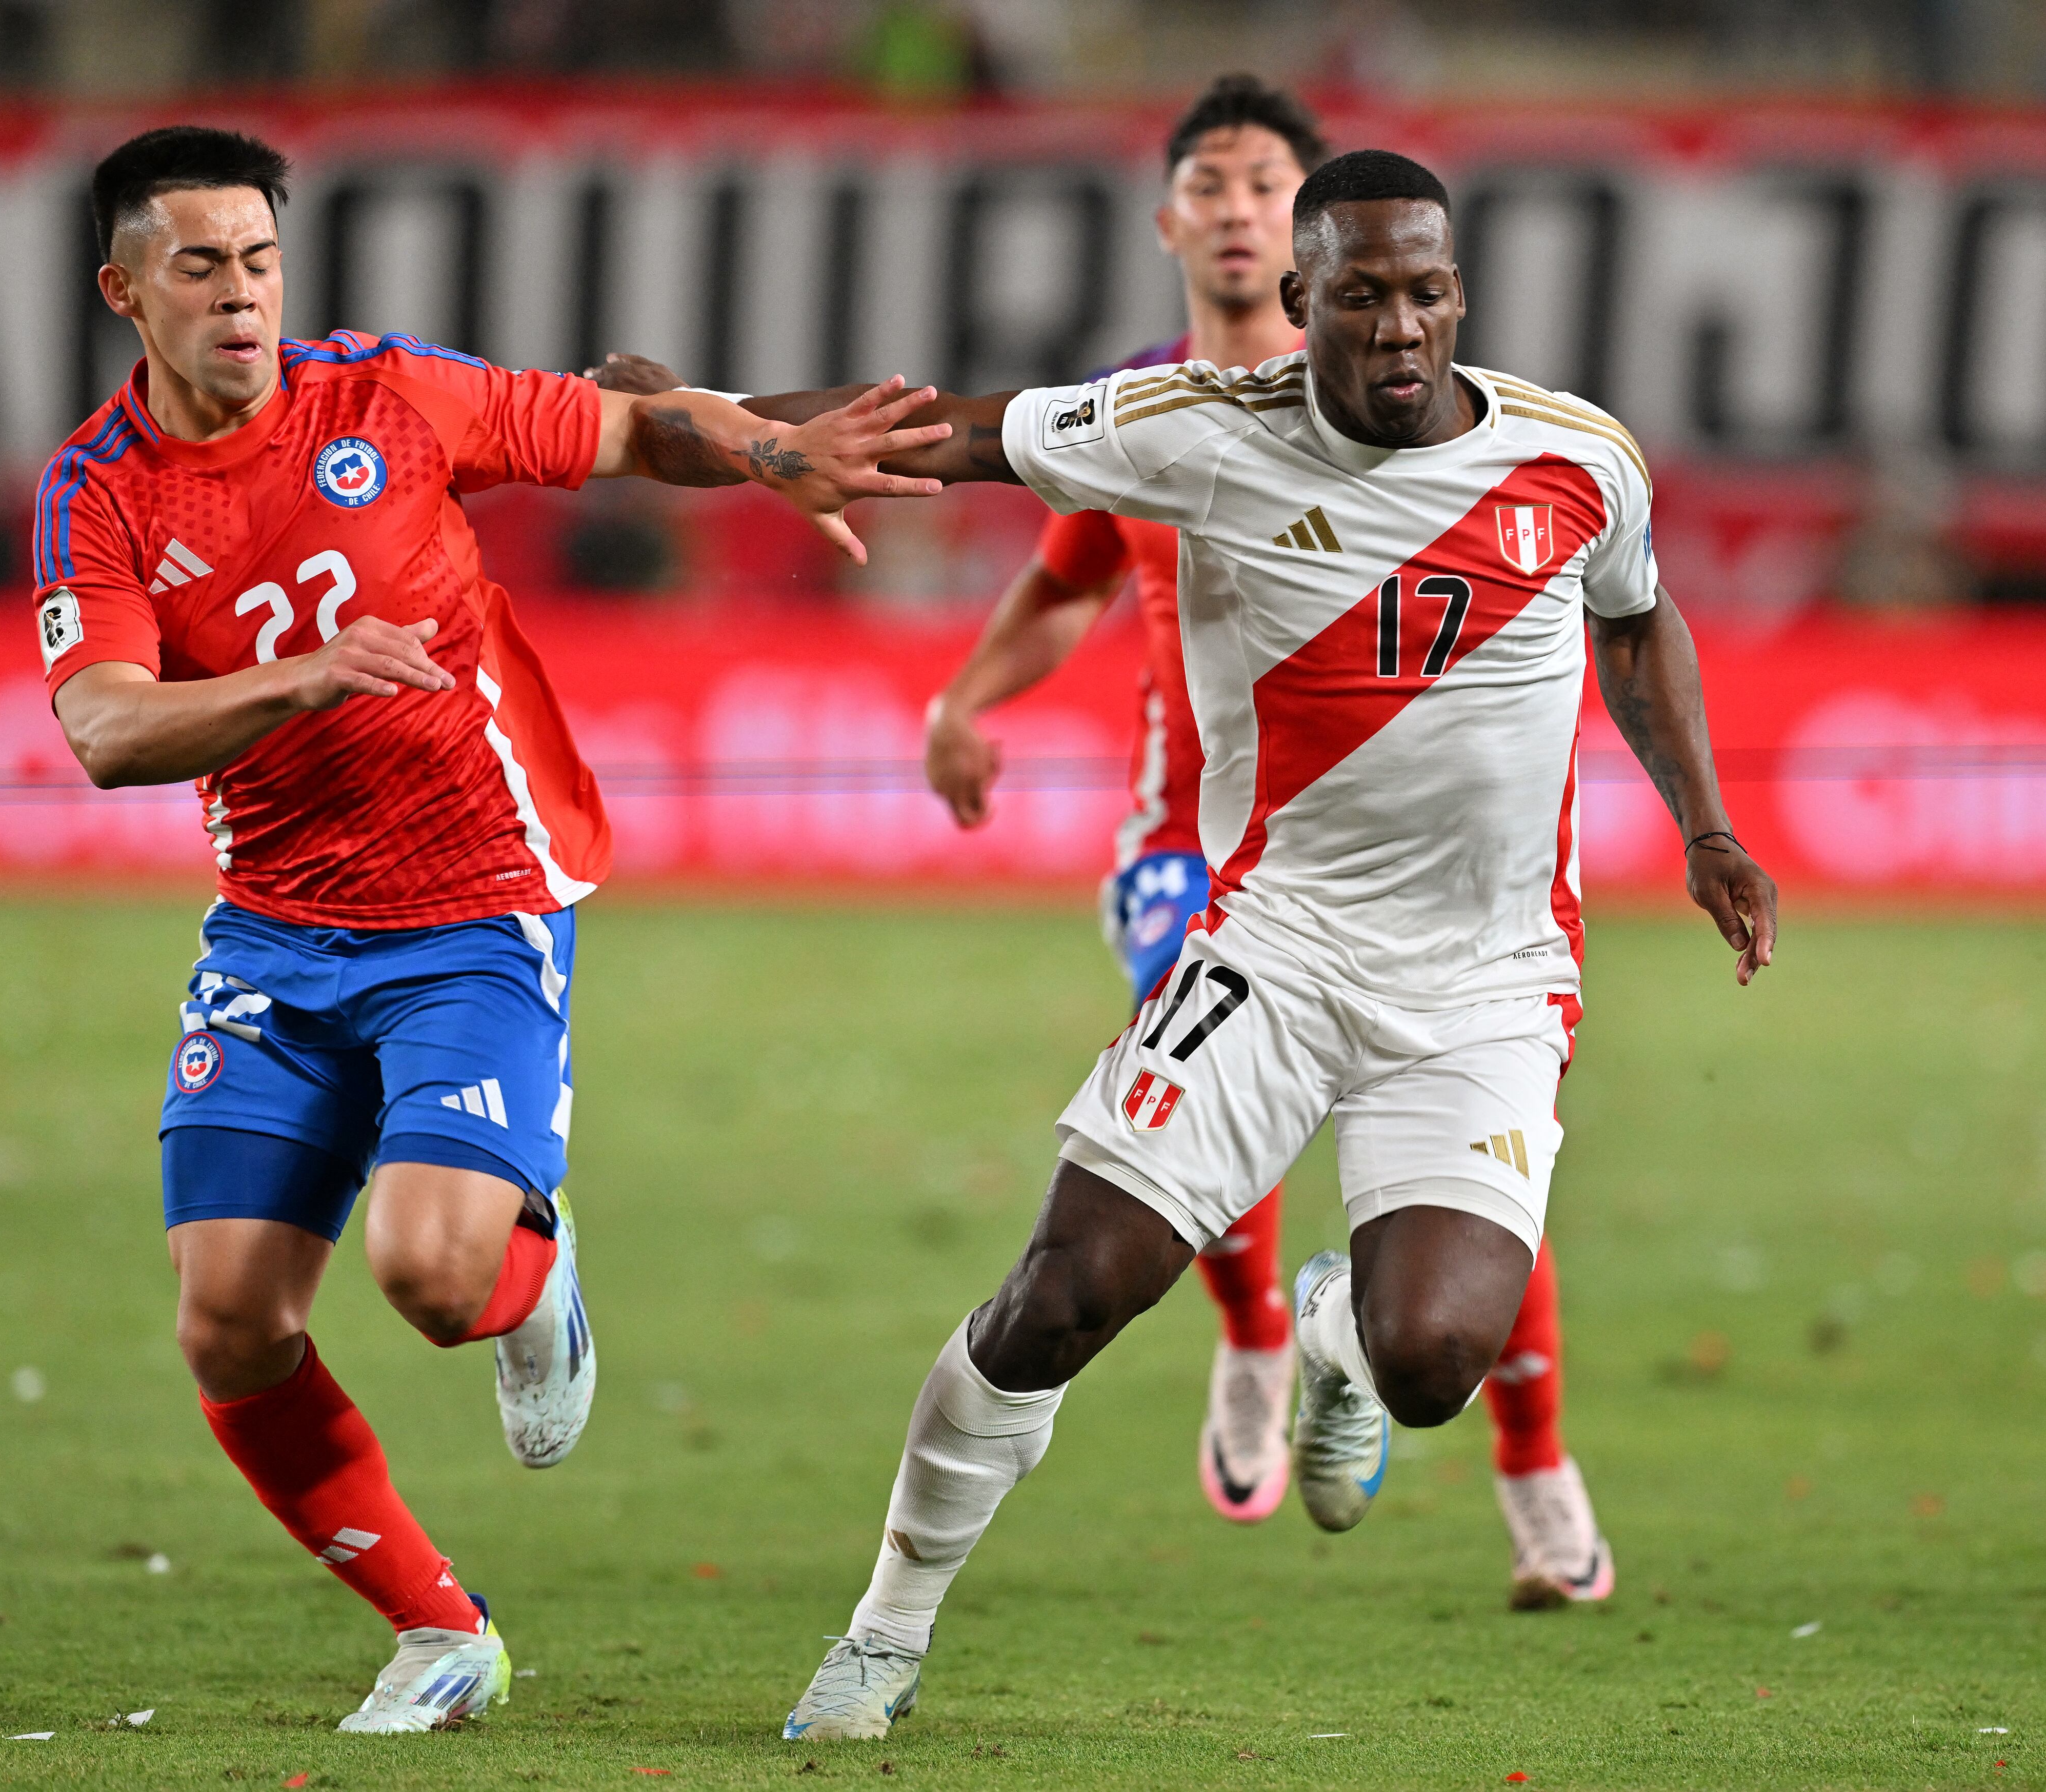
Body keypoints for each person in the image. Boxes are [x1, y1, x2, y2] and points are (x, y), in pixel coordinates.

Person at [752, 144, 1778, 1743]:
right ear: (1297, 304)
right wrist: (721, 431)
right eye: (1360, 295)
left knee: (1434, 1356)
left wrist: (1706, 825)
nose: (1398, 327)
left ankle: (1341, 1334)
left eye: (1426, 292)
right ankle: (885, 1631)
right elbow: (950, 430)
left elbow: (1638, 617)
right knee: (1064, 1296)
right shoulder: (1198, 434)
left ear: (1461, 296)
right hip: (1281, 949)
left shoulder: (1578, 460)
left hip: (1491, 981)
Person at [33, 126, 945, 1737]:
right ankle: (440, 1630)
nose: (242, 297)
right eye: (199, 266)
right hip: (274, 929)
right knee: (230, 1323)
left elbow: (620, 426)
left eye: (259, 259)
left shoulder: (386, 396)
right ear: (125, 292)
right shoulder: (99, 495)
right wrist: (301, 678)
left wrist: (753, 449)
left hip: (474, 900)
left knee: (434, 1281)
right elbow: (106, 730)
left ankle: (539, 1271)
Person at [918, 75, 1617, 1606]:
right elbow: (1058, 581)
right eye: (1212, 186)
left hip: (1433, 892)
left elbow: (1630, 598)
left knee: (1458, 1163)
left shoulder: (1479, 440)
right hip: (1200, 841)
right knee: (1186, 1124)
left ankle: (1509, 1439)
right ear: (1182, 226)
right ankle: (1247, 1343)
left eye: (1264, 183)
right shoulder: (1150, 419)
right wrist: (969, 693)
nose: (1235, 208)